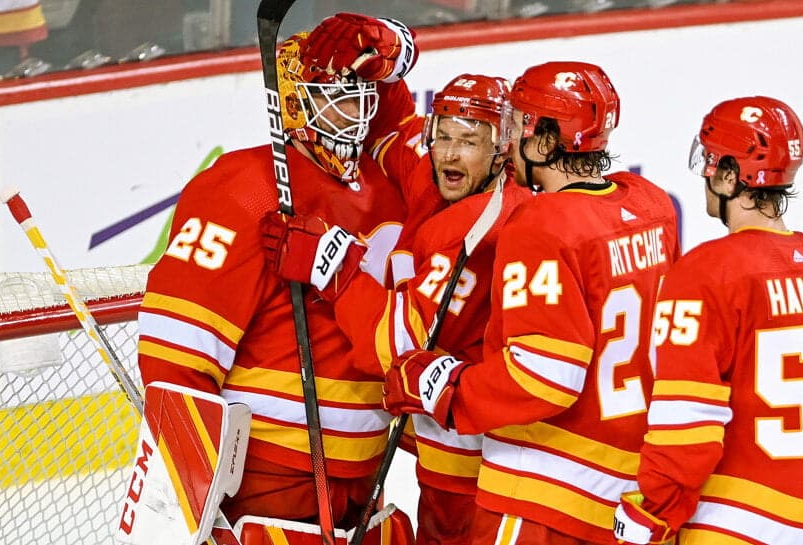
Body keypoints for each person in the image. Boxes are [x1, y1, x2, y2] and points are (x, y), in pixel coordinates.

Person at [135, 11, 427, 539]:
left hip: (365, 478)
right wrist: (187, 493)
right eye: (332, 92)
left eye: (362, 89)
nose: (354, 105)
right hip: (266, 474)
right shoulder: (243, 189)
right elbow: (176, 353)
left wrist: (393, 45)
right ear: (293, 101)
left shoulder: (393, 187)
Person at [381, 61, 681, 545]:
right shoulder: (650, 206)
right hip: (628, 495)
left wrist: (444, 387)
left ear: (544, 138)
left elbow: (544, 376)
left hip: (546, 496)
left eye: (518, 123)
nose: (508, 137)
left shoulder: (540, 225)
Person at [262, 73, 532, 545]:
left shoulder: (481, 234)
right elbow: (389, 122)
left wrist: (336, 268)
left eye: (469, 141)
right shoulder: (437, 178)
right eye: (443, 135)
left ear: (501, 149)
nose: (449, 152)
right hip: (442, 435)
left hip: (475, 463)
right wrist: (380, 53)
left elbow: (398, 349)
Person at [612, 97, 803, 545]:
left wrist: (652, 512)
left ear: (732, 175)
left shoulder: (703, 271)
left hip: (741, 523)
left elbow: (687, 423)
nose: (707, 177)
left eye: (712, 164)